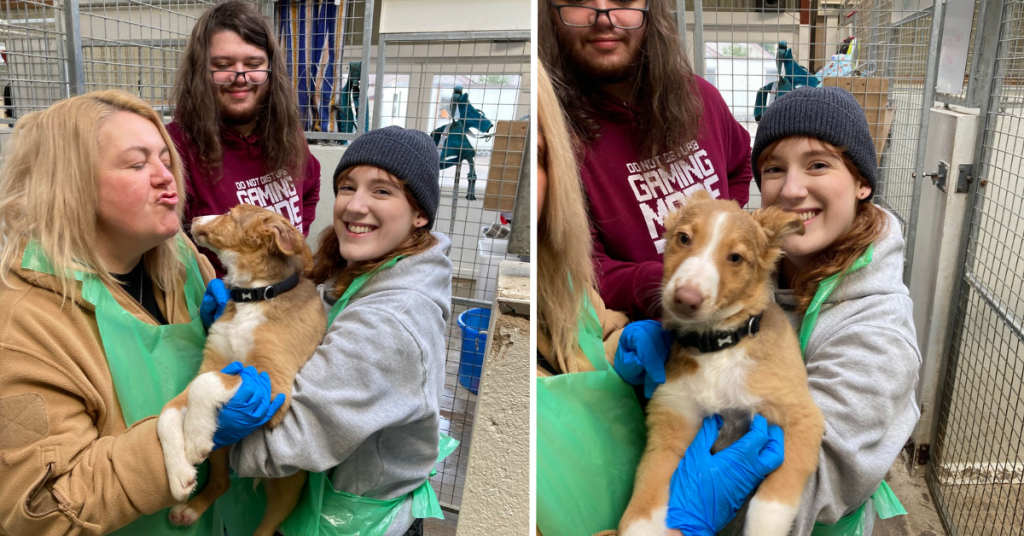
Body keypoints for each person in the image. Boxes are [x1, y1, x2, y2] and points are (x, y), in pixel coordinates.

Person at [616, 86, 921, 535]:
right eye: (774, 168)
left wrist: (689, 511)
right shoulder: (762, 267)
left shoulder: (879, 330)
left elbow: (819, 478)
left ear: (862, 182)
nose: (793, 189)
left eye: (818, 164)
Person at [0, 90, 278, 536]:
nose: (166, 178)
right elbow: (39, 511)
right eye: (136, 164)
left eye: (165, 161)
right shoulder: (23, 325)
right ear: (71, 184)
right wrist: (186, 431)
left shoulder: (183, 258)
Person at [535, 62, 785, 536]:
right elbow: (590, 274)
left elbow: (581, 323)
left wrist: (617, 341)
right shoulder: (580, 137)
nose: (604, 15)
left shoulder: (703, 99)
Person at [225, 126, 453, 536]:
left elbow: (289, 442)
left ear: (420, 213)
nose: (355, 205)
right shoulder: (358, 270)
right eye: (348, 187)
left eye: (382, 191)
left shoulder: (391, 321)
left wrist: (189, 437)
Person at [540, 0, 754, 321]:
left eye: (623, 0)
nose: (603, 18)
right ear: (550, 14)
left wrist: (723, 234)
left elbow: (740, 163)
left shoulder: (702, 97)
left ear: (651, 9)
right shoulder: (556, 141)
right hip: (639, 332)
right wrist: (669, 283)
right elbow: (586, 267)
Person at [168, 0, 321, 277]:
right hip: (221, 299)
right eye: (223, 65)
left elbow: (311, 185)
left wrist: (290, 238)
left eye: (253, 63)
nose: (240, 77)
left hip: (283, 289)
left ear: (270, 70)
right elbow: (166, 239)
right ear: (200, 72)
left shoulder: (286, 130)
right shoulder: (175, 146)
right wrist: (203, 284)